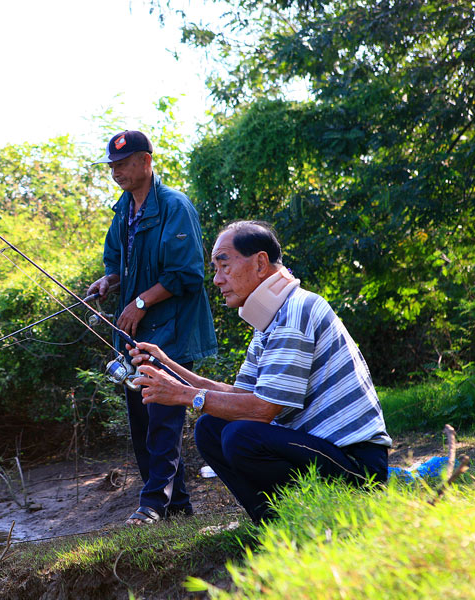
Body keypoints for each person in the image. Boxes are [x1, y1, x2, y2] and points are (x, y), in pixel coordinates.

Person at [128, 220, 391, 523]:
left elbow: (261, 410)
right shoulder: (270, 321)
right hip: (321, 451)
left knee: (242, 436)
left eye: (224, 266)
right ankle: (272, 523)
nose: (216, 280)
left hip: (358, 467)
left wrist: (184, 396)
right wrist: (165, 363)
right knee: (211, 428)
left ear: (261, 263)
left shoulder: (296, 312)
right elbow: (240, 397)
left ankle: (306, 517)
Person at [87, 130, 217, 524]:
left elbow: (188, 273)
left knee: (163, 417)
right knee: (142, 419)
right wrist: (108, 282)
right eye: (112, 166)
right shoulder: (123, 211)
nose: (116, 172)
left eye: (123, 164)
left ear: (146, 161)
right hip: (133, 336)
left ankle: (151, 505)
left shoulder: (176, 207)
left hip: (170, 332)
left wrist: (140, 303)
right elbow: (117, 262)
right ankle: (177, 507)